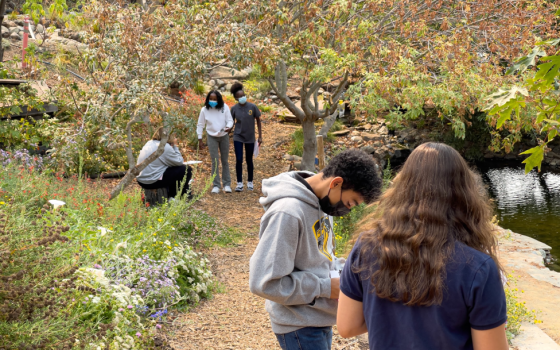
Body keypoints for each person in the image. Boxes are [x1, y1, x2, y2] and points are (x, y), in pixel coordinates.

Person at [337, 142, 508, 350]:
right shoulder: (478, 267)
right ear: (465, 194)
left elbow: (347, 327)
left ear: (402, 187)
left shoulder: (365, 248)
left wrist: (390, 321)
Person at [249, 149, 382, 350]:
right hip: (299, 326)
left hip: (317, 319)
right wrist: (326, 288)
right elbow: (264, 283)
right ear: (336, 183)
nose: (348, 210)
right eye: (349, 203)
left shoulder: (321, 201)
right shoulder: (288, 213)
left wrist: (352, 270)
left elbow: (322, 258)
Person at [136, 128, 192, 199]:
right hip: (152, 182)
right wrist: (175, 146)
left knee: (171, 171)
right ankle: (175, 196)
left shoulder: (149, 143)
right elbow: (179, 161)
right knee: (186, 169)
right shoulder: (165, 147)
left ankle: (177, 194)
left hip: (141, 180)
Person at [197, 90, 234, 194]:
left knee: (225, 160)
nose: (212, 101)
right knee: (215, 161)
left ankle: (226, 184)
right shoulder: (204, 110)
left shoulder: (224, 107)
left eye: (215, 99)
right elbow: (200, 124)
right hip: (211, 137)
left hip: (224, 136)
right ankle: (216, 185)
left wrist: (229, 127)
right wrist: (200, 139)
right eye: (211, 99)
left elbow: (230, 120)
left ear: (219, 100)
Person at [230, 82, 262, 192]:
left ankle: (250, 182)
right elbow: (231, 122)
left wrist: (260, 136)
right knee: (239, 159)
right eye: (239, 97)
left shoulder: (252, 107)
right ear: (236, 98)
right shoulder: (234, 109)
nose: (242, 97)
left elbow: (258, 120)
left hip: (250, 137)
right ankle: (239, 183)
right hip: (238, 136)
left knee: (249, 160)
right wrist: (227, 131)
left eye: (243, 95)